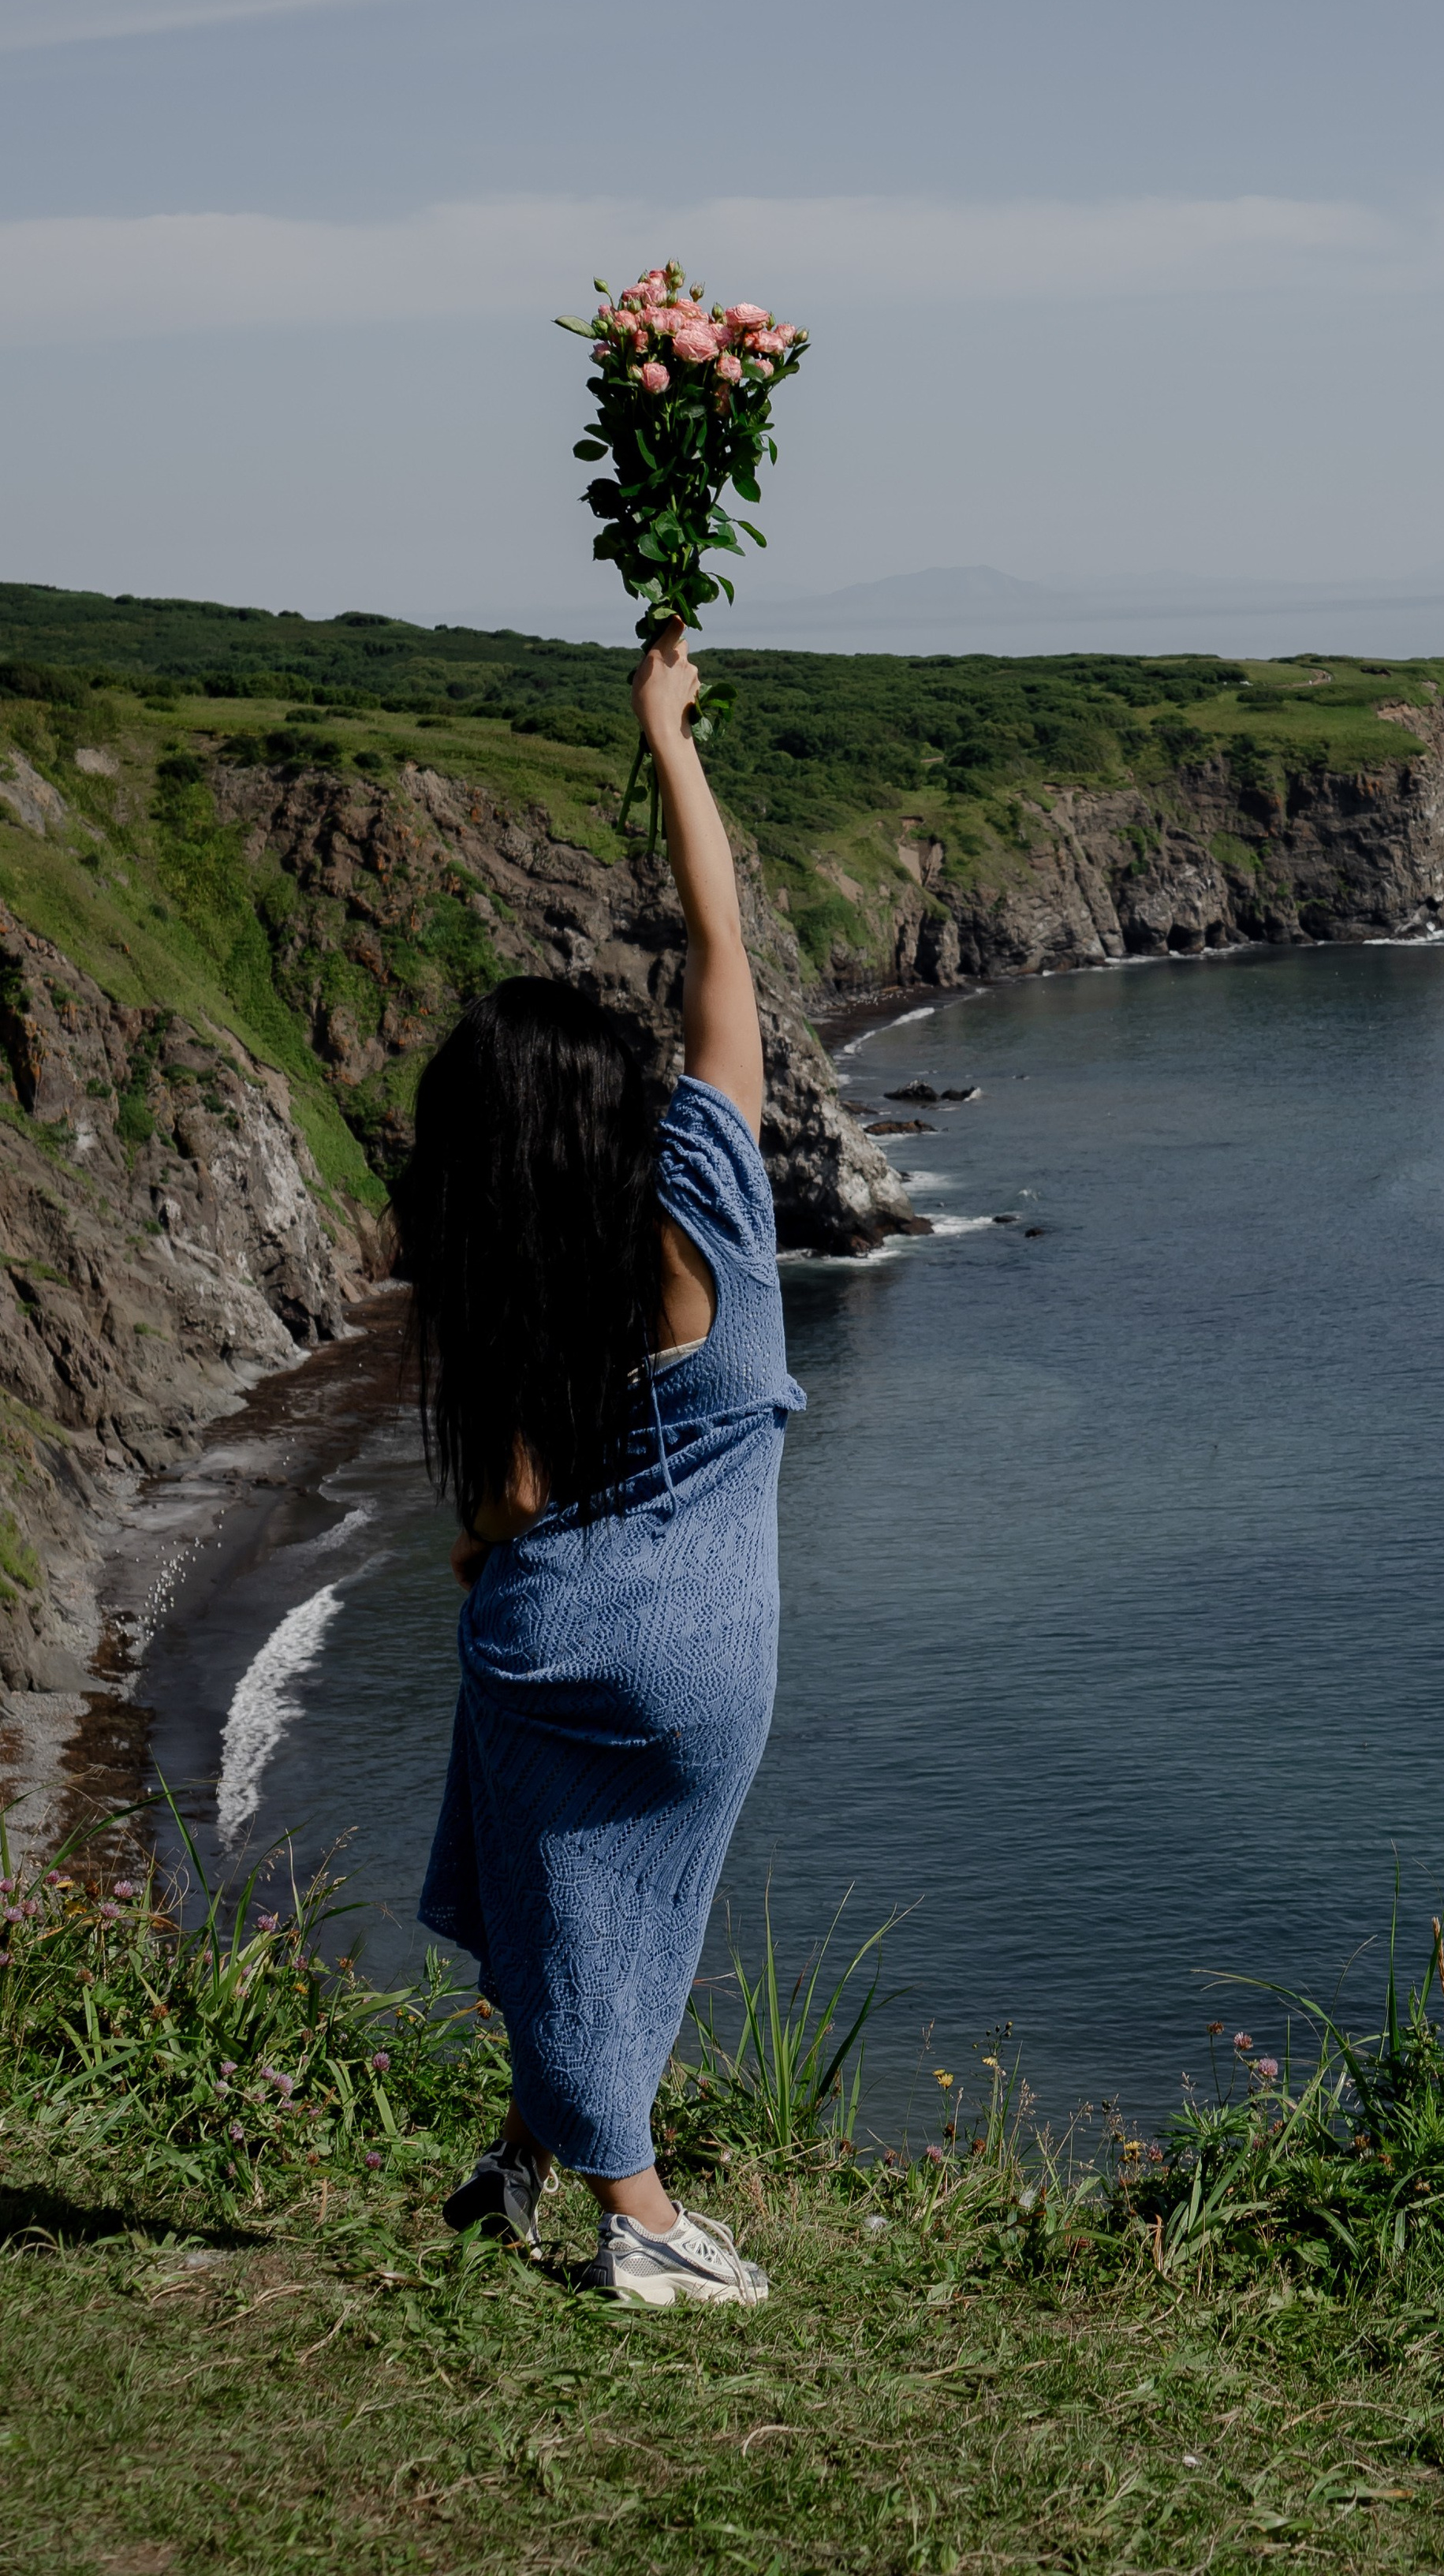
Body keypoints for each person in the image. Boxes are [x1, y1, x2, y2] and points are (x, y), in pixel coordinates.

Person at [396, 625, 803, 2305]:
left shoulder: (513, 1282)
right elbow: (722, 955)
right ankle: (556, 2172)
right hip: (708, 1652)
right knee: (593, 1908)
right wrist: (669, 736)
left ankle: (619, 2208)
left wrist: (475, 1565)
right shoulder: (712, 1184)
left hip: (559, 1628)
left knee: (573, 1918)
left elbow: (504, 1508)